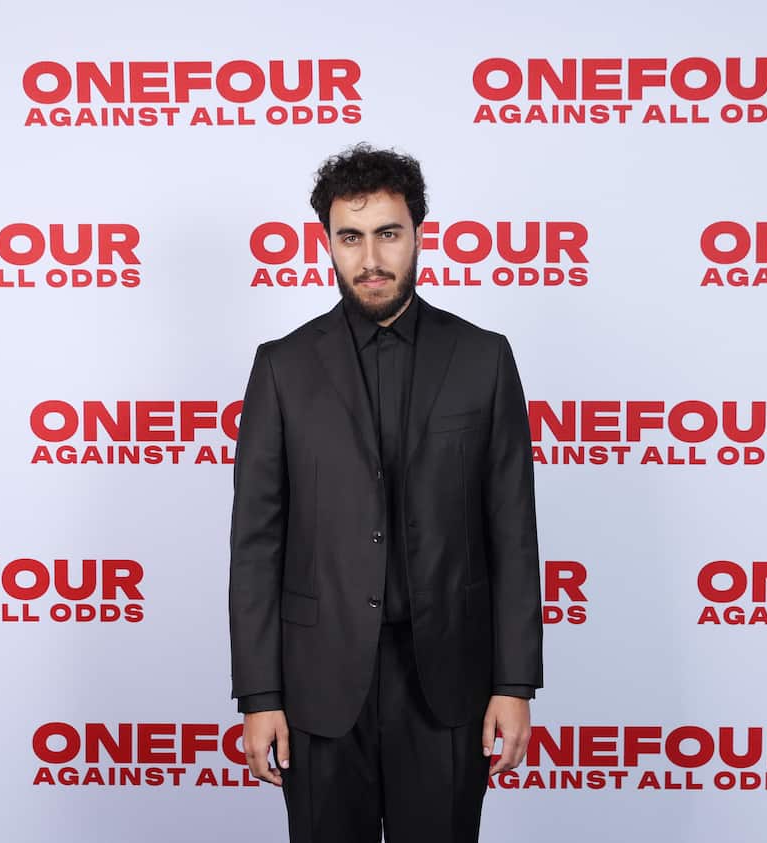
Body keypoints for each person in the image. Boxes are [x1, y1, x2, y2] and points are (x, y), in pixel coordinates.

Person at [228, 143, 543, 842]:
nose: (370, 257)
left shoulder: (484, 359)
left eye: (388, 234)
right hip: (318, 684)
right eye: (350, 237)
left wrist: (514, 684)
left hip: (448, 682)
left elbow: (512, 533)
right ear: (328, 245)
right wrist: (260, 695)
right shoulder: (281, 368)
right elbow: (256, 544)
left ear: (419, 235)